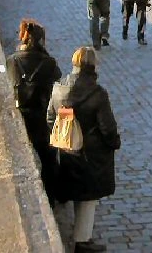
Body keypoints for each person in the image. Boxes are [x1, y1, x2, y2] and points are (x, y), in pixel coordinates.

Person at [47, 46, 120, 253]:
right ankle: (82, 241)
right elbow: (108, 129)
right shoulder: (98, 94)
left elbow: (50, 119)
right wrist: (114, 143)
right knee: (88, 197)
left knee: (76, 189)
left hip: (67, 150)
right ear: (93, 66)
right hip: (91, 154)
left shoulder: (58, 87)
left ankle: (78, 236)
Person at [6, 19, 62, 202]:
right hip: (41, 116)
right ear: (41, 40)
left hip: (19, 115)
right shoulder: (48, 63)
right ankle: (51, 197)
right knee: (48, 158)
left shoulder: (12, 61)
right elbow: (57, 79)